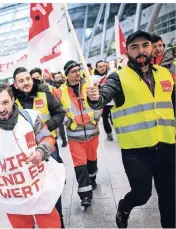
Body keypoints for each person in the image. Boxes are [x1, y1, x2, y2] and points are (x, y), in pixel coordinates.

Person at [86, 30, 175, 228]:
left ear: (152, 48)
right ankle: (124, 207)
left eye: (145, 45)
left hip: (167, 146)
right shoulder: (118, 78)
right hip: (136, 150)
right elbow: (103, 97)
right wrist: (94, 98)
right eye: (134, 47)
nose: (140, 51)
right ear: (127, 52)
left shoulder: (165, 73)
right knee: (142, 194)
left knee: (169, 197)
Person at [0, 83, 65, 228]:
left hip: (37, 186)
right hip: (12, 193)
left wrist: (41, 151)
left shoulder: (30, 117)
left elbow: (47, 138)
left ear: (12, 100)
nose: (1, 109)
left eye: (5, 102)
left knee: (50, 224)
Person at [12, 67, 66, 227]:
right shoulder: (11, 100)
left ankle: (59, 222)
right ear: (15, 84)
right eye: (21, 81)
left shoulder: (44, 93)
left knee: (51, 189)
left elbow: (60, 113)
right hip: (24, 153)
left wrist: (45, 127)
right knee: (29, 189)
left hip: (47, 148)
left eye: (27, 79)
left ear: (32, 79)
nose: (26, 83)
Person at [56, 60, 101, 208]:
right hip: (75, 136)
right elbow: (58, 111)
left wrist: (96, 115)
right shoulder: (60, 91)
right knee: (80, 164)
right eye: (73, 71)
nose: (77, 73)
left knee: (92, 160)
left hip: (92, 132)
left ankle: (93, 178)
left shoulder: (89, 85)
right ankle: (85, 195)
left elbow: (99, 103)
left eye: (78, 70)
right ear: (66, 75)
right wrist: (66, 122)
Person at [94, 60, 114, 141]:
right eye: (100, 66)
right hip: (103, 103)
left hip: (113, 102)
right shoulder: (93, 78)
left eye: (104, 66)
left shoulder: (111, 75)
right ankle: (109, 134)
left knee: (115, 119)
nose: (102, 68)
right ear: (96, 68)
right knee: (105, 119)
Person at [53, 71, 68, 148]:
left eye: (60, 77)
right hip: (60, 110)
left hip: (70, 109)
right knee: (61, 126)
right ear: (54, 79)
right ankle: (64, 140)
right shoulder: (53, 89)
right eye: (57, 78)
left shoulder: (67, 85)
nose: (59, 79)